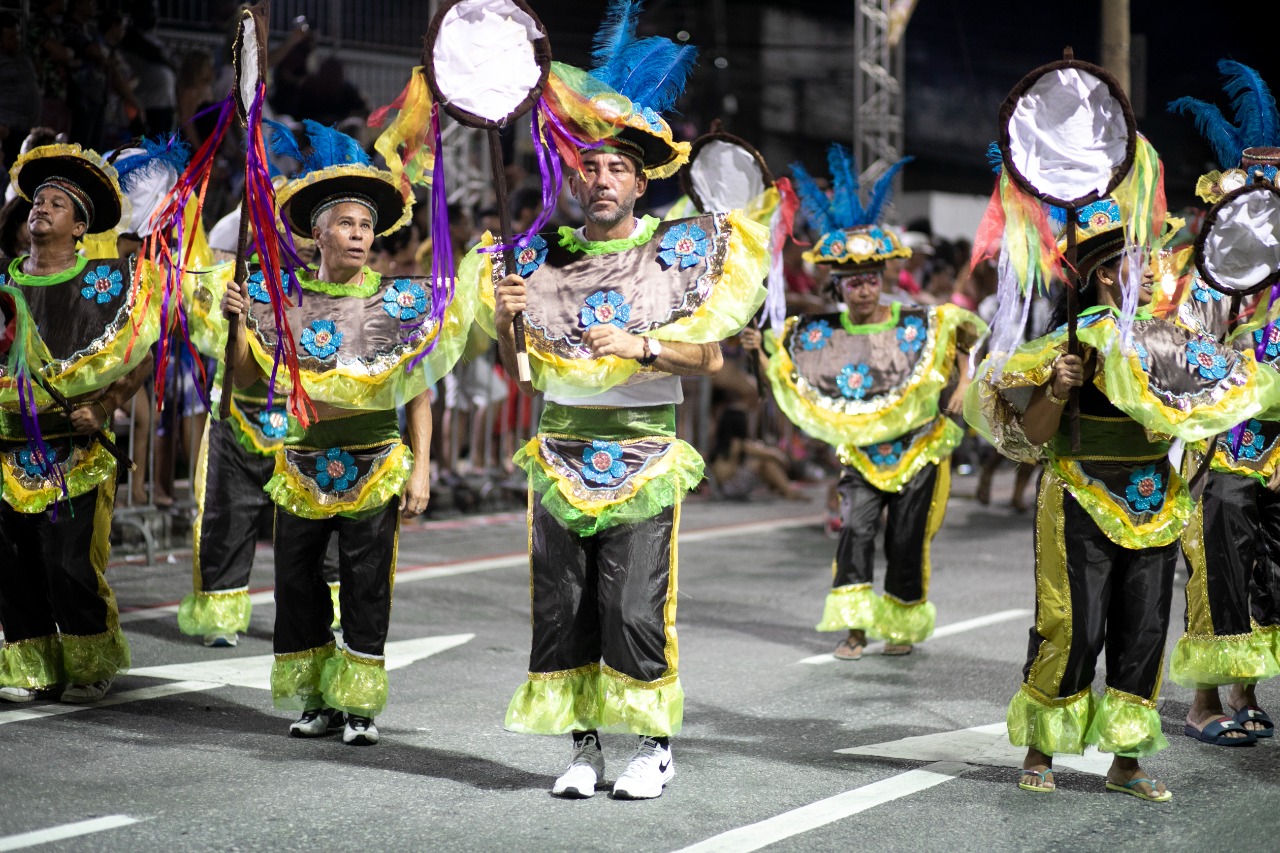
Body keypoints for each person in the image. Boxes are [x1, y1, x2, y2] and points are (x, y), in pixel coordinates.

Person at [461, 4, 768, 799]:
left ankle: (653, 746)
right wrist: (504, 320)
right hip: (558, 452)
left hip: (642, 453)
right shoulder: (540, 259)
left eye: (615, 170)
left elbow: (712, 354)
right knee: (564, 608)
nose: (599, 180)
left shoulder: (675, 256)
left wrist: (642, 346)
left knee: (634, 604)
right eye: (588, 167)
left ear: (640, 180)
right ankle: (585, 746)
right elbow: (519, 365)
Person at [967, 187, 1280, 800]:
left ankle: (1127, 763)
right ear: (1096, 275)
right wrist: (1058, 390)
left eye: (1135, 260)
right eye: (1115, 263)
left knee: (1143, 631)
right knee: (1074, 628)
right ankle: (1041, 750)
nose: (1131, 272)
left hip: (1155, 499)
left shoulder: (1165, 340)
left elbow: (1224, 398)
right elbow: (1031, 441)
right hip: (1081, 493)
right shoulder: (1065, 344)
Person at [221, 121, 471, 745]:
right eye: (347, 224)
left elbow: (417, 390)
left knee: (365, 585)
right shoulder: (281, 300)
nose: (359, 235)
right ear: (318, 234)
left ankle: (359, 705)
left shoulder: (395, 302)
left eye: (366, 225)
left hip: (373, 459)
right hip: (303, 461)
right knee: (296, 585)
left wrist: (421, 467)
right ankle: (317, 701)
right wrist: (235, 321)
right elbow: (241, 376)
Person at [748, 146, 984, 661]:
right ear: (838, 286)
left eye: (871, 278)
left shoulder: (920, 319)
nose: (862, 288)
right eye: (852, 280)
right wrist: (760, 352)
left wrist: (962, 387)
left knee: (905, 539)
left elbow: (964, 339)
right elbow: (785, 358)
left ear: (884, 278)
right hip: (859, 450)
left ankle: (899, 622)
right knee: (854, 532)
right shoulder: (818, 331)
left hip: (918, 446)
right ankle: (854, 628)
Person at [0, 143, 159, 703]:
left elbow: (141, 349)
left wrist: (109, 404)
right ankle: (32, 664)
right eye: (37, 200)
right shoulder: (4, 283)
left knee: (69, 563)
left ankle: (90, 661)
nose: (40, 207)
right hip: (8, 451)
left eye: (56, 203)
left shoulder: (108, 284)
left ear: (80, 226)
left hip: (78, 453)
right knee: (13, 563)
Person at [1166, 63, 1280, 745]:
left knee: (1269, 570)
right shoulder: (1207, 284)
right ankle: (1204, 699)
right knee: (1216, 560)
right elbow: (1185, 360)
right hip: (1220, 444)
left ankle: (1247, 690)